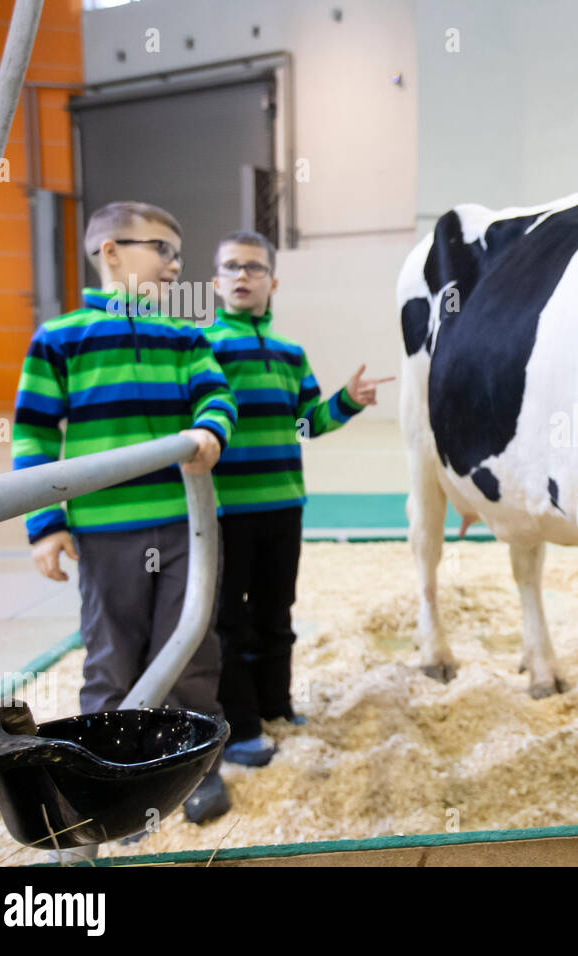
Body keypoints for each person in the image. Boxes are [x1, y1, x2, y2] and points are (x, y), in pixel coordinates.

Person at [12, 201, 238, 824]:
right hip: (106, 533)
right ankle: (112, 789)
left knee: (192, 648)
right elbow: (31, 435)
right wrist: (46, 524)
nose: (175, 263)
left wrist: (211, 429)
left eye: (177, 252)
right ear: (110, 253)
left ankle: (194, 772)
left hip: (187, 523)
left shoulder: (185, 334)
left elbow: (216, 394)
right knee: (112, 657)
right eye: (160, 249)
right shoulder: (60, 338)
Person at [204, 230, 390, 767]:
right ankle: (240, 729)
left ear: (273, 282)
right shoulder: (204, 347)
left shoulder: (290, 354)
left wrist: (347, 403)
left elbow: (307, 423)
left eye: (254, 268)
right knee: (228, 620)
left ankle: (276, 706)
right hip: (225, 511)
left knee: (277, 611)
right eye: (231, 266)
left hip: (284, 506)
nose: (242, 275)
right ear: (216, 281)